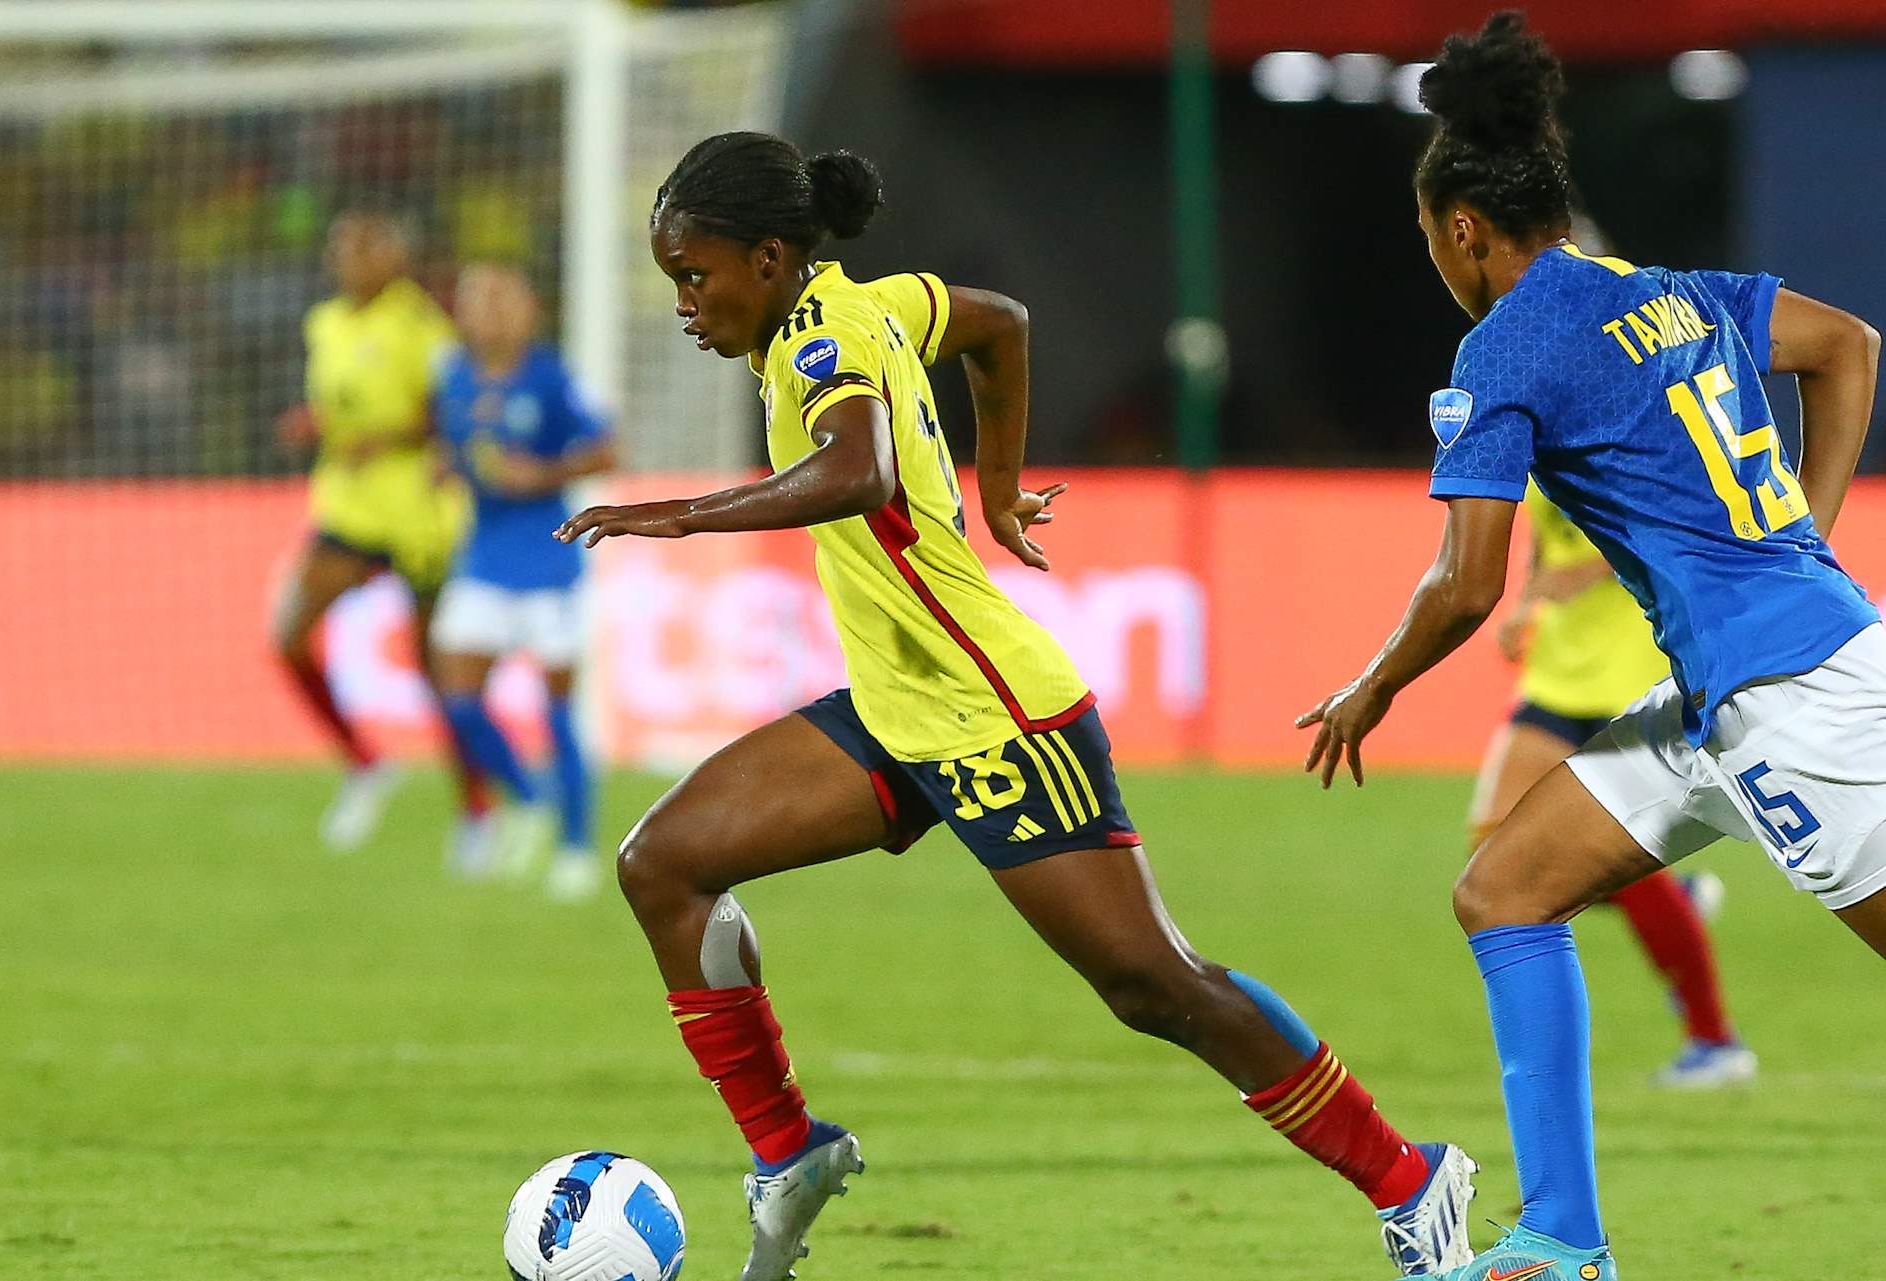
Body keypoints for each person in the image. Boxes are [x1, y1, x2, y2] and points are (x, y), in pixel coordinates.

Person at [553, 132, 1479, 1281]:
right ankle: (788, 1152)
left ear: (772, 255)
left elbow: (861, 469)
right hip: (900, 710)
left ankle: (1413, 1180)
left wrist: (682, 515)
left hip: (997, 719)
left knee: (1155, 985)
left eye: (695, 276)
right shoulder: (870, 299)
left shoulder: (823, 341)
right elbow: (1000, 324)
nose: (686, 305)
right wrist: (994, 488)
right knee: (666, 862)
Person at [1297, 14, 1883, 1280]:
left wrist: (1370, 687)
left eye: (1429, 242)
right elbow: (1849, 348)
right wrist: (1807, 533)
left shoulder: (1505, 345)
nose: (1436, 264)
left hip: (1794, 705)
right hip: (1727, 688)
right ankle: (1563, 1241)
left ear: (1461, 229)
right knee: (1504, 890)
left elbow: (1464, 586)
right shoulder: (1667, 293)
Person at [1474, 480, 1753, 1087]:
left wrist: (1591, 573)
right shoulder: (1533, 442)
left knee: (1573, 858)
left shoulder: (1616, 432)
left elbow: (1661, 527)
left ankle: (1715, 1042)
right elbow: (1549, 539)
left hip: (1627, 675)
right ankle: (1673, 897)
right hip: (1558, 675)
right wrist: (1525, 603)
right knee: (1490, 849)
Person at [273, 212, 494, 858]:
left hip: (417, 511)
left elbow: (447, 412)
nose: (350, 260)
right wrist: (318, 423)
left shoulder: (421, 327)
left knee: (437, 670)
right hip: (349, 507)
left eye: (366, 248)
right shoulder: (326, 323)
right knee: (286, 635)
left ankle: (476, 811)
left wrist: (386, 438)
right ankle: (365, 761)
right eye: (343, 249)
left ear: (394, 257)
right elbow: (345, 404)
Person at [430, 263, 617, 897]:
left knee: (558, 707)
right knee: (456, 698)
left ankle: (576, 848)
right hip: (482, 558)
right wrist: (446, 470)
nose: (486, 311)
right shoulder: (451, 377)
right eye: (474, 299)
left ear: (527, 309)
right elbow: (454, 447)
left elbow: (606, 449)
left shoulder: (552, 376)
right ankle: (530, 794)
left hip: (549, 563)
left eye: (499, 298)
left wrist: (538, 477)